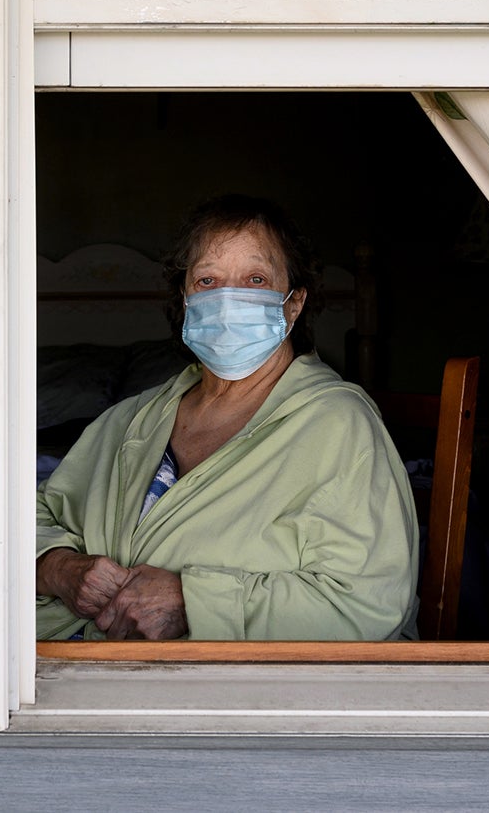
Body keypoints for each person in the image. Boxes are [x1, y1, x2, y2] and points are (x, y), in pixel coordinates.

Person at [34, 195, 419, 641]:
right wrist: (56, 565)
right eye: (207, 280)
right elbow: (32, 510)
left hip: (238, 690)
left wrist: (192, 603)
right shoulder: (132, 418)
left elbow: (367, 602)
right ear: (185, 298)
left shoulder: (339, 425)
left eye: (255, 279)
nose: (228, 299)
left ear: (293, 304)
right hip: (67, 668)